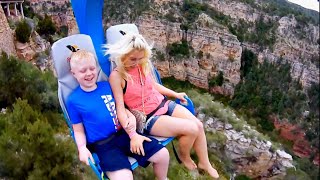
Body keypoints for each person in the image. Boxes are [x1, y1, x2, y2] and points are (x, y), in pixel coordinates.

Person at [105, 32, 219, 179]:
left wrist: (175, 94)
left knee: (199, 125)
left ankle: (205, 163)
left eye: (140, 58)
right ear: (122, 54)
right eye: (133, 59)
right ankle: (184, 158)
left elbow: (153, 85)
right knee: (192, 129)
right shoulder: (117, 77)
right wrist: (132, 134)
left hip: (162, 103)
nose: (137, 62)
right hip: (148, 117)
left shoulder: (142, 66)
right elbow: (120, 108)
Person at [66, 49, 169, 180]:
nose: (89, 73)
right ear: (73, 73)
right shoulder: (74, 100)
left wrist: (130, 116)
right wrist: (81, 148)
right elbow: (78, 130)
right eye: (83, 71)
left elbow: (120, 106)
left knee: (163, 155)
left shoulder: (106, 86)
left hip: (124, 135)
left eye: (92, 68)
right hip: (104, 145)